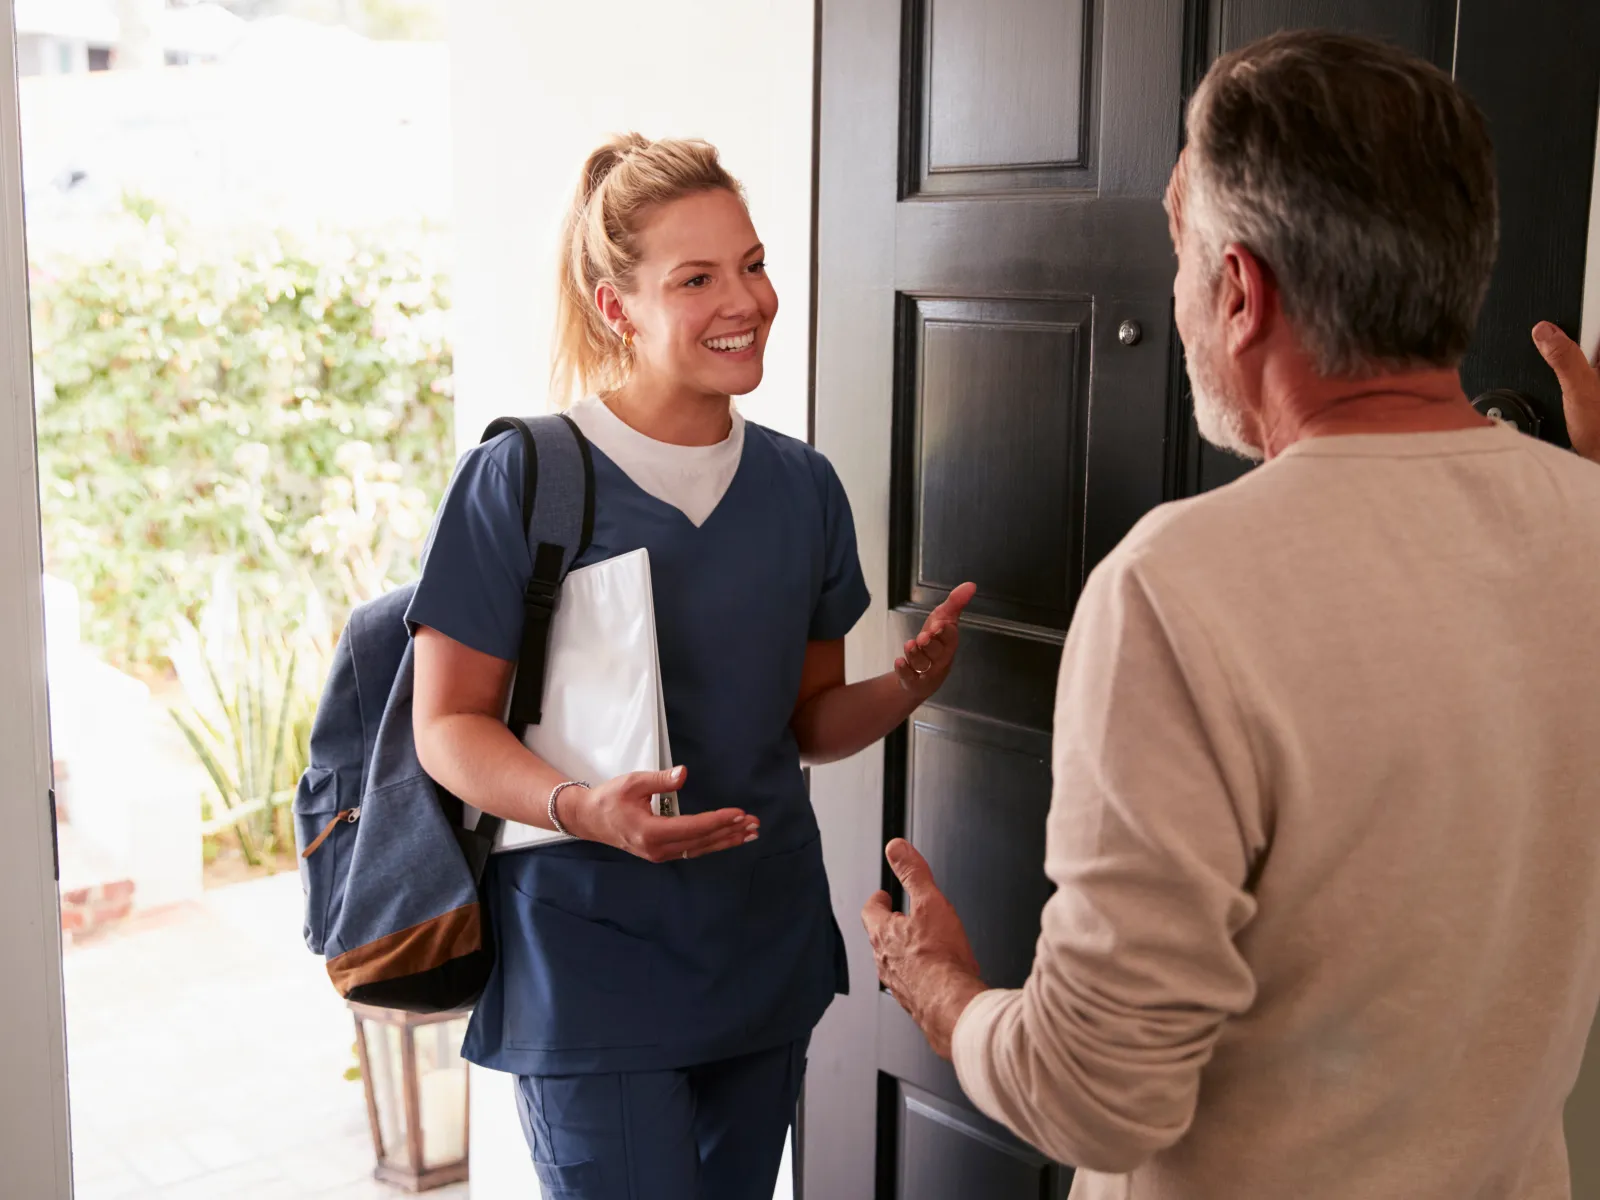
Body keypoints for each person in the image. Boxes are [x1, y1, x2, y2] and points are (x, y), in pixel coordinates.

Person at [863, 30, 1600, 1200]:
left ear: (1240, 292)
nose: (1173, 298)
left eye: (1178, 256)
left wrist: (938, 989)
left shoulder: (1177, 587)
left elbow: (1095, 1096)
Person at [406, 134, 975, 1200]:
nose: (746, 301)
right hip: (589, 956)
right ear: (615, 306)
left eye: (752, 265)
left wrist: (907, 686)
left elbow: (809, 724)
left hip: (760, 944)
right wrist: (582, 808)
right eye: (697, 279)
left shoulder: (803, 489)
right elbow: (446, 728)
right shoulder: (522, 476)